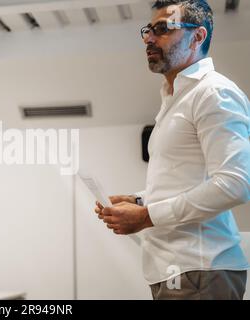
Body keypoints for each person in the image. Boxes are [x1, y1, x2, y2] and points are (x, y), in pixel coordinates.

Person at [95, 0, 250, 299]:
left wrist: (146, 216)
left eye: (163, 29)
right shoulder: (175, 97)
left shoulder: (213, 92)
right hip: (177, 270)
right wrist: (140, 200)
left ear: (198, 36)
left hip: (200, 269)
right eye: (148, 30)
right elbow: (187, 180)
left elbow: (236, 184)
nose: (148, 38)